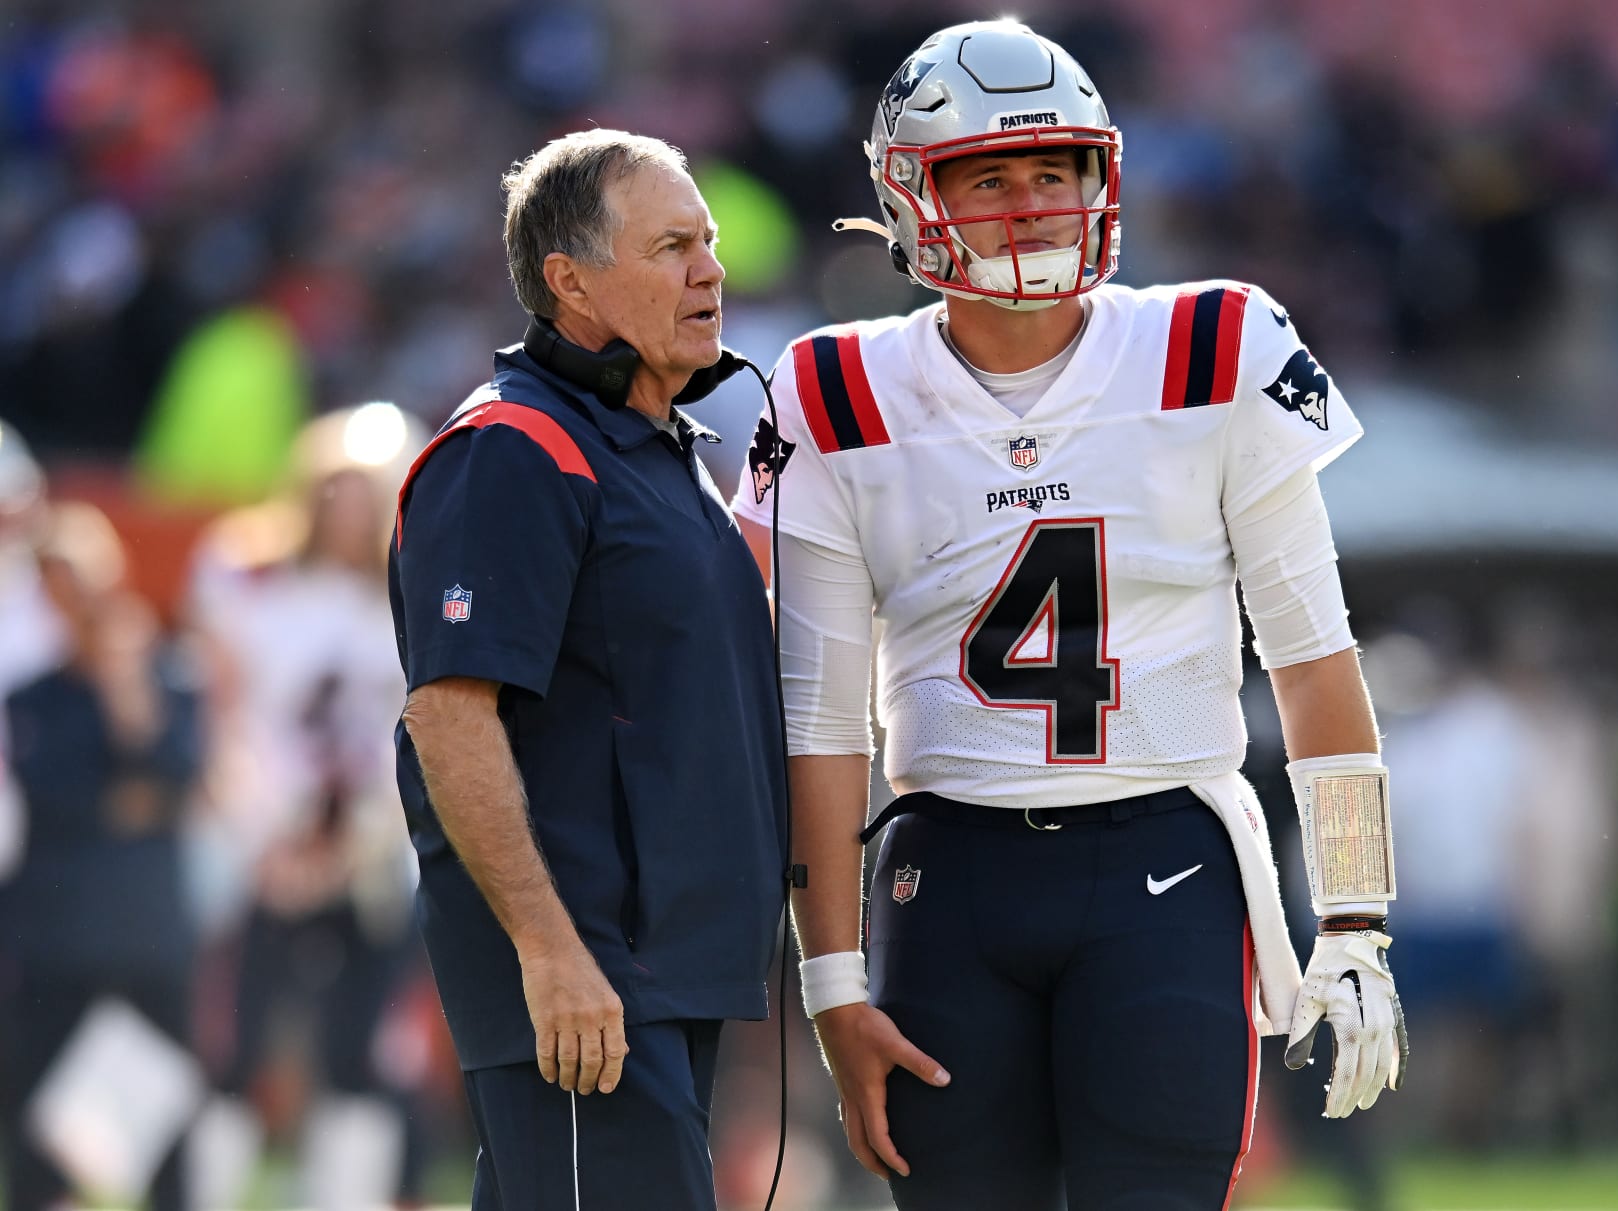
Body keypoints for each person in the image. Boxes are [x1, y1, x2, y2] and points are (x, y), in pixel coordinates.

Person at [732, 21, 1407, 1211]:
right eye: (987, 176)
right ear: (910, 194)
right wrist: (832, 984)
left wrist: (1355, 918)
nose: (1032, 204)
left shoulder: (1217, 346)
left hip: (1167, 860)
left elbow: (1311, 655)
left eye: (1057, 171)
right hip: (948, 875)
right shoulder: (833, 391)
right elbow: (819, 724)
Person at [388, 129, 786, 1209]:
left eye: (707, 242)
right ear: (570, 280)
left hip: (655, 983)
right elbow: (450, 716)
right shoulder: (514, 448)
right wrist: (553, 952)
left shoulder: (656, 451)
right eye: (672, 246)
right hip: (591, 986)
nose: (711, 269)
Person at [188, 404, 429, 1209]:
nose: (349, 509)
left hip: (368, 851)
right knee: (231, 1039)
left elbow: (429, 736)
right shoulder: (246, 575)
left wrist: (359, 842)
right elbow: (217, 720)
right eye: (337, 487)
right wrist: (261, 836)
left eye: (367, 491)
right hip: (256, 843)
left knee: (361, 1048)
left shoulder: (411, 600)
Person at [0, 502, 204, 1211]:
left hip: (146, 937)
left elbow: (176, 773)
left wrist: (127, 684)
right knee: (38, 1134)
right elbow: (58, 797)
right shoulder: (32, 694)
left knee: (164, 1132)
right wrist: (125, 799)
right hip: (54, 940)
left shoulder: (169, 678)